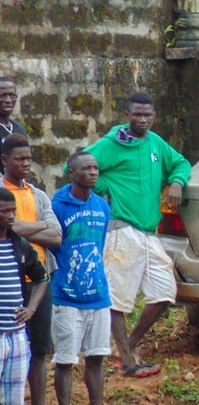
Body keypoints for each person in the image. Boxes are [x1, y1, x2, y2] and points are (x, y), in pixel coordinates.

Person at [83, 91, 191, 378]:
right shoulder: (113, 143)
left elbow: (181, 163)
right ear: (127, 115)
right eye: (137, 115)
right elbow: (77, 164)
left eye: (148, 115)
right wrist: (103, 186)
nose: (143, 120)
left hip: (148, 232)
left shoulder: (155, 143)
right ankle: (128, 361)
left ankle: (127, 347)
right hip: (122, 229)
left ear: (154, 116)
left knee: (165, 292)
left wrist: (177, 182)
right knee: (117, 298)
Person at [1, 133, 61, 405]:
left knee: (39, 350)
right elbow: (10, 229)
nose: (26, 163)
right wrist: (40, 226)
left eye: (29, 158)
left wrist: (20, 229)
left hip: (37, 279)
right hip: (9, 281)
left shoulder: (38, 195)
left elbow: (56, 235)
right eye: (20, 159)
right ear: (5, 160)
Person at [50, 152, 112, 404]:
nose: (93, 172)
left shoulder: (102, 206)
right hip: (66, 297)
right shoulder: (57, 207)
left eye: (95, 168)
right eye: (86, 168)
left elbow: (100, 245)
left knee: (96, 358)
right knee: (65, 361)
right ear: (72, 173)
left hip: (98, 296)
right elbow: (53, 247)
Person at [0, 187, 49, 404]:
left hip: (17, 335)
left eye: (13, 210)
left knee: (14, 397)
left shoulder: (20, 244)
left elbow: (41, 278)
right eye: (5, 211)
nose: (11, 216)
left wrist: (31, 309)